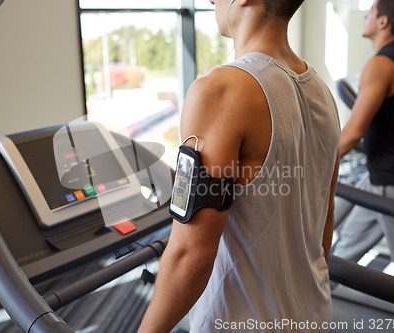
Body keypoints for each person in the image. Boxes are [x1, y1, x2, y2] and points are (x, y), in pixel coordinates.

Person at [138, 0, 340, 332]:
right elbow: (325, 218)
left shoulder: (220, 91)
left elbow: (192, 255)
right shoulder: (322, 92)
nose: (210, 1)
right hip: (314, 315)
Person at [333, 0, 394, 285]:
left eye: (371, 11)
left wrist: (311, 166)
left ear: (383, 21)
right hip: (383, 176)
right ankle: (310, 308)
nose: (366, 16)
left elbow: (353, 131)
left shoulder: (380, 64)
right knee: (345, 247)